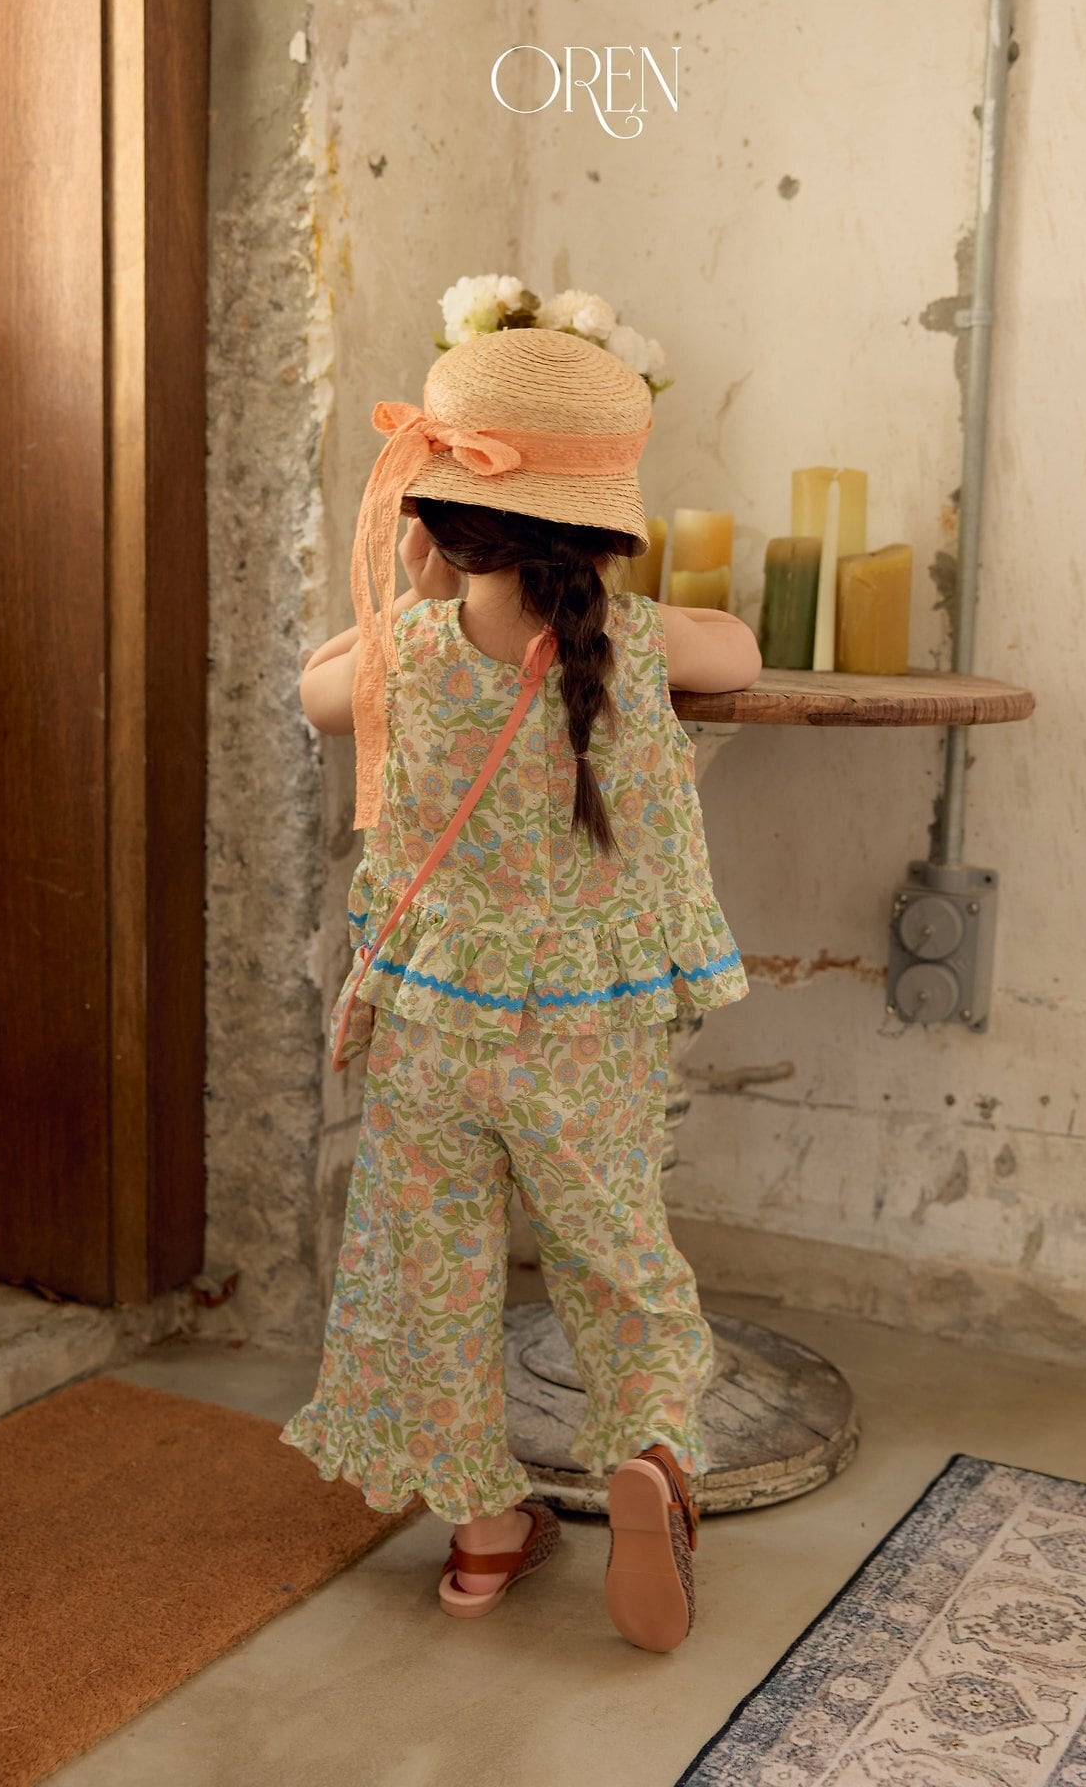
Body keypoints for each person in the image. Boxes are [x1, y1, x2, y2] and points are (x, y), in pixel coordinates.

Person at [279, 324, 760, 1653]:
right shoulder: (646, 646)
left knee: (429, 1274)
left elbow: (314, 686)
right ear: (604, 528)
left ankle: (484, 1535)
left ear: (436, 520)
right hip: (585, 1035)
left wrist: (412, 588)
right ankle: (650, 1452)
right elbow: (740, 653)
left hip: (435, 1022)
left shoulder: (404, 656)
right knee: (616, 1257)